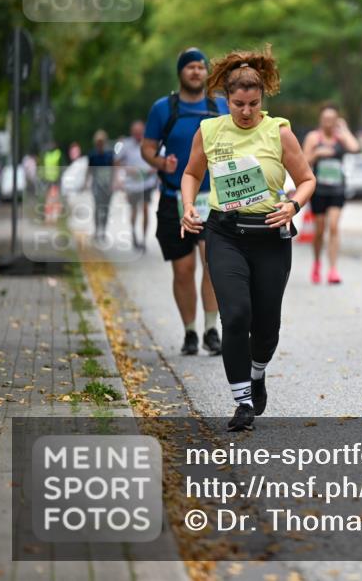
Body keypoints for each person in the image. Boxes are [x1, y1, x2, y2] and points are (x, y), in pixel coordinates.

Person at [179, 46, 315, 432]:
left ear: (262, 99)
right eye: (238, 104)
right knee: (236, 315)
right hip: (225, 234)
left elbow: (307, 180)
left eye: (253, 104)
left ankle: (257, 373)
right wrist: (188, 206)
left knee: (267, 325)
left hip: (270, 234)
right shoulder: (209, 131)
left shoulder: (279, 131)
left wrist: (293, 205)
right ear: (226, 99)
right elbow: (191, 173)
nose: (245, 112)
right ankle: (242, 401)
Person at [142, 48, 228, 356]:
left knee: (212, 264)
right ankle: (190, 331)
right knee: (183, 269)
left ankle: (211, 330)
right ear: (181, 72)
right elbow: (148, 147)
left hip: (213, 199)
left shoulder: (220, 106)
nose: (196, 72)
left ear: (206, 73)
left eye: (200, 67)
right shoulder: (163, 108)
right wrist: (160, 163)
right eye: (190, 67)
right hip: (174, 199)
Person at [302, 103, 360, 284]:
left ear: (336, 120)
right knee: (319, 230)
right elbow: (303, 162)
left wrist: (344, 129)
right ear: (320, 119)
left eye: (332, 119)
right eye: (325, 119)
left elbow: (355, 147)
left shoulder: (340, 137)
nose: (328, 122)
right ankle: (317, 263)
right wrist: (317, 153)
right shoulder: (313, 137)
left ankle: (333, 269)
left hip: (337, 189)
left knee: (334, 227)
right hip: (318, 190)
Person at [115, 120, 158, 251]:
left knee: (145, 209)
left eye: (140, 132)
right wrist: (127, 170)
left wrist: (154, 168)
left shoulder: (150, 143)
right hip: (132, 184)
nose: (138, 135)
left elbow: (159, 160)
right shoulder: (126, 144)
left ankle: (144, 239)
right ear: (132, 132)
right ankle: (134, 234)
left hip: (147, 182)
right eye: (135, 133)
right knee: (134, 210)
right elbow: (116, 162)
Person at [85, 130, 115, 241]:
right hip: (97, 184)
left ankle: (103, 231)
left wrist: (114, 183)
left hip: (107, 184)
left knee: (106, 208)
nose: (100, 144)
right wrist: (86, 182)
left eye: (101, 142)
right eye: (98, 142)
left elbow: (114, 169)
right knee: (97, 207)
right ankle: (97, 230)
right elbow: (89, 169)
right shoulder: (92, 155)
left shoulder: (110, 154)